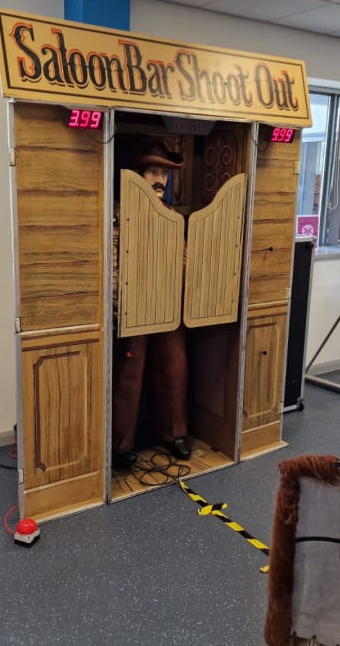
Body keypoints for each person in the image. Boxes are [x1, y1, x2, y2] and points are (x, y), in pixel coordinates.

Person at [111, 137, 191, 471]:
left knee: (174, 367)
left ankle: (174, 432)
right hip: (134, 305)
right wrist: (118, 306)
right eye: (152, 172)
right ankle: (119, 445)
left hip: (167, 304)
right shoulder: (118, 213)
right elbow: (114, 263)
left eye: (164, 173)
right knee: (128, 376)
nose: (160, 180)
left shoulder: (171, 216)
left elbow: (184, 260)